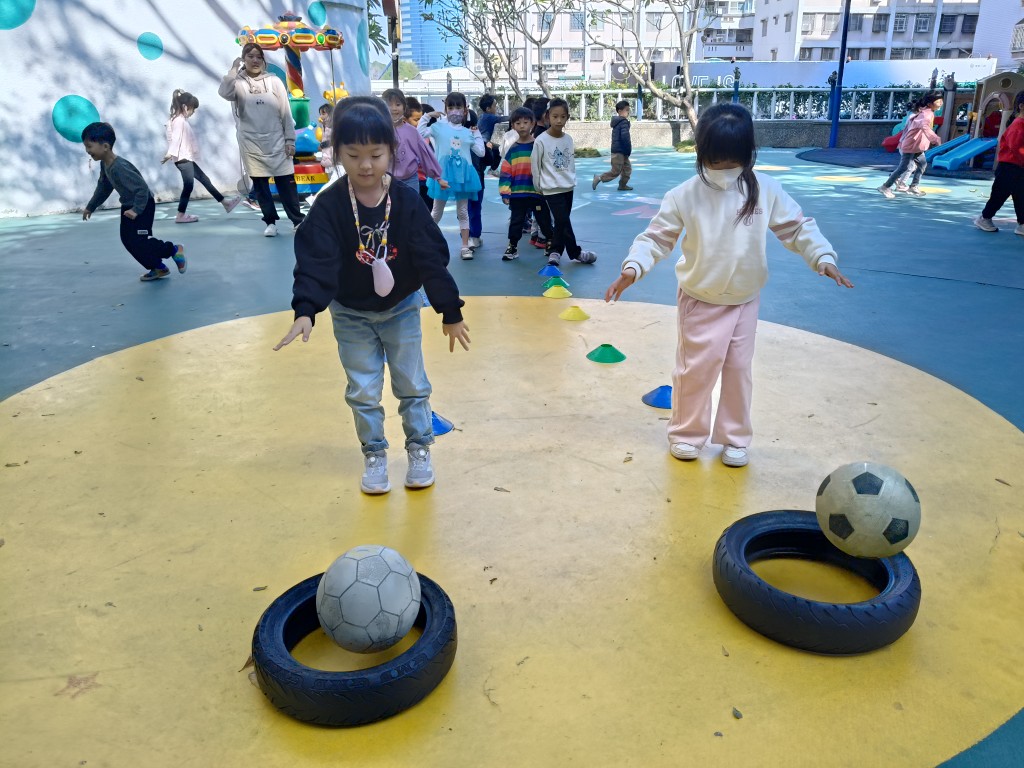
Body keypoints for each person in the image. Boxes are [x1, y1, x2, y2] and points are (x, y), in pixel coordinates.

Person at [604, 103, 853, 468]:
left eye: (732, 160)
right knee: (696, 370)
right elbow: (656, 238)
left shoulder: (764, 189)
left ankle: (735, 438)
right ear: (702, 152)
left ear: (748, 154)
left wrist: (822, 257)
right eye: (715, 160)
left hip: (744, 300)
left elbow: (797, 227)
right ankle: (687, 434)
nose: (724, 169)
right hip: (700, 299)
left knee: (738, 370)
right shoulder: (684, 194)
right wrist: (633, 267)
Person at [274, 97, 471, 494]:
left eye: (376, 155)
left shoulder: (406, 202)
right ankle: (375, 453)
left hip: (401, 308)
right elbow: (315, 260)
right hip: (350, 312)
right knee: (362, 389)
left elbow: (431, 258)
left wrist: (449, 310)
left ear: (391, 151)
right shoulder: (329, 206)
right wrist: (306, 309)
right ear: (337, 153)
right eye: (353, 155)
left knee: (412, 383)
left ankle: (419, 448)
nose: (365, 165)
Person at [80, 122, 186, 282]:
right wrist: (91, 206)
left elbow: (142, 189)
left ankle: (173, 250)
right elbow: (104, 187)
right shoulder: (105, 164)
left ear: (105, 146)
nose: (87, 151)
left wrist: (136, 210)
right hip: (129, 205)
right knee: (128, 240)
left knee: (140, 241)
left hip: (143, 204)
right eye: (86, 147)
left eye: (89, 146)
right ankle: (158, 267)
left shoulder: (119, 167)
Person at [218, 42, 305, 237]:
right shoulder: (238, 83)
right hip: (251, 142)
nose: (255, 60)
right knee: (261, 186)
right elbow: (224, 92)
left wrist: (290, 141)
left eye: (259, 56)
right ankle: (270, 222)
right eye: (250, 56)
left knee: (286, 184)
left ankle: (297, 220)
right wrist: (233, 70)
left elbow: (285, 112)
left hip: (277, 140)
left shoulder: (274, 81)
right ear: (244, 59)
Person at [418, 92, 485, 260]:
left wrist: (476, 133)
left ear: (465, 109)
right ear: (445, 109)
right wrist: (427, 116)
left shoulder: (467, 132)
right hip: (442, 176)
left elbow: (481, 152)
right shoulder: (438, 127)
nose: (455, 110)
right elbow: (419, 134)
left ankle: (465, 247)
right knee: (436, 212)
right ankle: (427, 243)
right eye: (451, 107)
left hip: (463, 177)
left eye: (458, 107)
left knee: (463, 211)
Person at [532, 98, 597, 266]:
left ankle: (559, 251)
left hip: (568, 187)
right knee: (562, 220)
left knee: (563, 221)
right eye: (555, 116)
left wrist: (572, 179)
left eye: (563, 116)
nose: (559, 120)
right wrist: (538, 186)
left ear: (567, 117)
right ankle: (569, 252)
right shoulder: (541, 140)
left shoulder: (568, 139)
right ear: (547, 116)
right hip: (551, 188)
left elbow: (570, 163)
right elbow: (535, 164)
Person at [163, 90, 241, 222]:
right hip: (182, 159)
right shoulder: (179, 121)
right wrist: (170, 153)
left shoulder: (179, 120)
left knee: (204, 179)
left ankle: (225, 203)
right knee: (189, 185)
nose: (193, 112)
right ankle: (180, 215)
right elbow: (176, 139)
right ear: (185, 107)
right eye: (193, 109)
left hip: (185, 158)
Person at [498, 107, 554, 262]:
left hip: (537, 193)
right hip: (517, 194)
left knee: (543, 219)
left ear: (533, 123)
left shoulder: (538, 145)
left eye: (525, 122)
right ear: (513, 126)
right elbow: (506, 172)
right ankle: (512, 246)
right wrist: (505, 192)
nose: (522, 126)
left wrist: (548, 187)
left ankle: (550, 242)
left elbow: (546, 167)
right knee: (516, 221)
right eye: (518, 123)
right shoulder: (512, 150)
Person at [380, 88, 445, 198]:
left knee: (412, 207)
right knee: (390, 208)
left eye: (398, 104)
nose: (394, 108)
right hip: (386, 179)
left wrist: (438, 177)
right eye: (389, 105)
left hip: (410, 180)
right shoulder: (379, 131)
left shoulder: (412, 131)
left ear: (404, 107)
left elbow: (425, 154)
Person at [975, 91, 1024, 235]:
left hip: (1018, 167)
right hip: (1009, 167)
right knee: (999, 195)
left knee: (1021, 196)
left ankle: (1022, 224)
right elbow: (1018, 149)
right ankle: (984, 218)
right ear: (1022, 106)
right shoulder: (1018, 126)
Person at [878, 92, 942, 199]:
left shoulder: (926, 112)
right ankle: (885, 186)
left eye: (941, 101)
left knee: (922, 164)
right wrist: (935, 138)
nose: (940, 103)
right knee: (904, 167)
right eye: (938, 101)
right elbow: (924, 126)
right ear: (930, 104)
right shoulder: (926, 114)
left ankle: (913, 186)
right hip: (911, 145)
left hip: (917, 146)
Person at [593, 100, 634, 192]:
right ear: (619, 111)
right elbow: (625, 137)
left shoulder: (619, 122)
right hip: (619, 151)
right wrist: (628, 149)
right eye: (626, 110)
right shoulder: (623, 122)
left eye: (629, 110)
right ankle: (599, 178)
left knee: (627, 169)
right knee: (616, 171)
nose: (628, 112)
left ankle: (622, 185)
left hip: (622, 151)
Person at [464, 108, 488, 251]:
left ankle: (468, 237)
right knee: (475, 208)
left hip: (463, 180)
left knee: (464, 210)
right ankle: (475, 236)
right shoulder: (478, 139)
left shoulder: (457, 138)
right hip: (478, 180)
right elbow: (487, 158)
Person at [477, 94, 509, 175]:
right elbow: (502, 118)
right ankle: (493, 169)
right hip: (484, 142)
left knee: (483, 163)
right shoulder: (489, 117)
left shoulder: (482, 116)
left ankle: (490, 169)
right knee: (498, 150)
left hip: (482, 141)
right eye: (494, 106)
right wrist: (516, 116)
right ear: (488, 109)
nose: (496, 108)